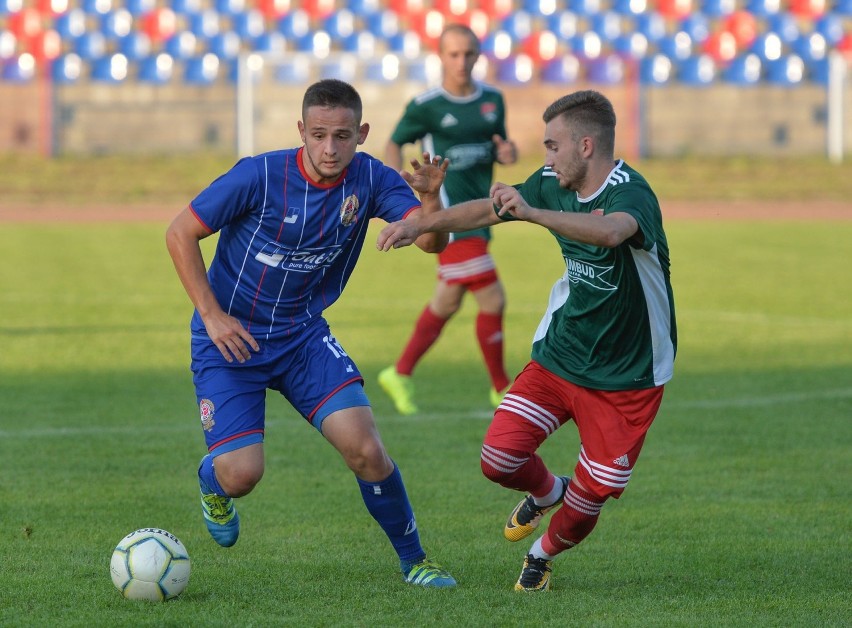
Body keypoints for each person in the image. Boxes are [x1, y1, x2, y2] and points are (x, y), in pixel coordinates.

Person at [377, 90, 676, 591]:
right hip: (562, 354)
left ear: (585, 146)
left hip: (629, 375)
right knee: (498, 459)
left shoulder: (631, 192)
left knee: (594, 494)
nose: (546, 157)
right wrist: (423, 223)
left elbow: (611, 233)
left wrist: (531, 213)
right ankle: (545, 490)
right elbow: (487, 210)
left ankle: (541, 555)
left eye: (552, 146)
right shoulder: (552, 181)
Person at [165, 79, 457, 588]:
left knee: (365, 448)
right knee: (241, 476)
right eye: (318, 134)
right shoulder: (257, 175)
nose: (329, 147)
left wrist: (431, 202)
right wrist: (211, 315)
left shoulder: (369, 178)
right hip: (231, 340)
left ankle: (416, 561)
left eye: (342, 136)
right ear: (301, 129)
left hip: (301, 337)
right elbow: (180, 232)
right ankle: (211, 480)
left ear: (361, 133)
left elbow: (432, 243)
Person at [377, 23, 519, 416]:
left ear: (478, 56)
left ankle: (400, 373)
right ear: (441, 57)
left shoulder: (493, 99)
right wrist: (401, 191)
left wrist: (508, 153)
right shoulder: (427, 105)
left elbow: (499, 147)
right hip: (449, 221)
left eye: (468, 53)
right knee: (493, 296)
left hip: (484, 215)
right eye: (453, 54)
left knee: (448, 300)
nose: (462, 61)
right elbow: (393, 141)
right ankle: (501, 389)